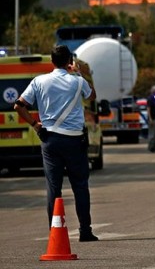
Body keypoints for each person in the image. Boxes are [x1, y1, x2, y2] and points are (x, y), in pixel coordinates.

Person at [13, 45, 99, 242]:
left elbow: (19, 105)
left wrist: (35, 125)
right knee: (80, 186)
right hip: (75, 140)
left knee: (54, 188)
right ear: (69, 61)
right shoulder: (78, 81)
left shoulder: (39, 81)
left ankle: (55, 233)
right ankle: (85, 230)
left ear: (51, 61)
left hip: (50, 139)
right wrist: (77, 72)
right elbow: (92, 96)